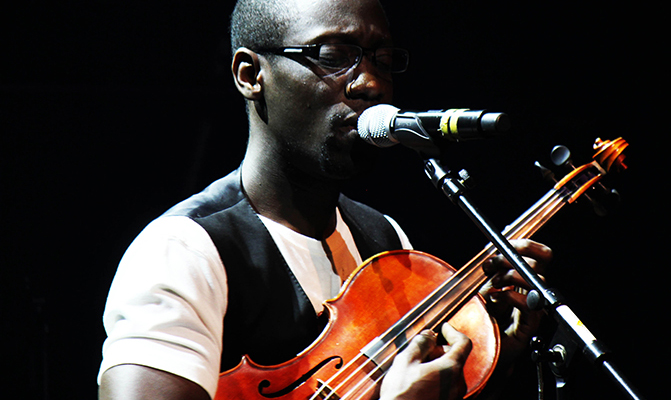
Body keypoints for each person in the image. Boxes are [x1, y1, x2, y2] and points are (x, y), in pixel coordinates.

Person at [96, 0, 551, 399]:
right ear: (251, 75)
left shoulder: (383, 236)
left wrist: (495, 362)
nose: (371, 83)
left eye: (383, 59)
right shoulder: (184, 250)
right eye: (333, 56)